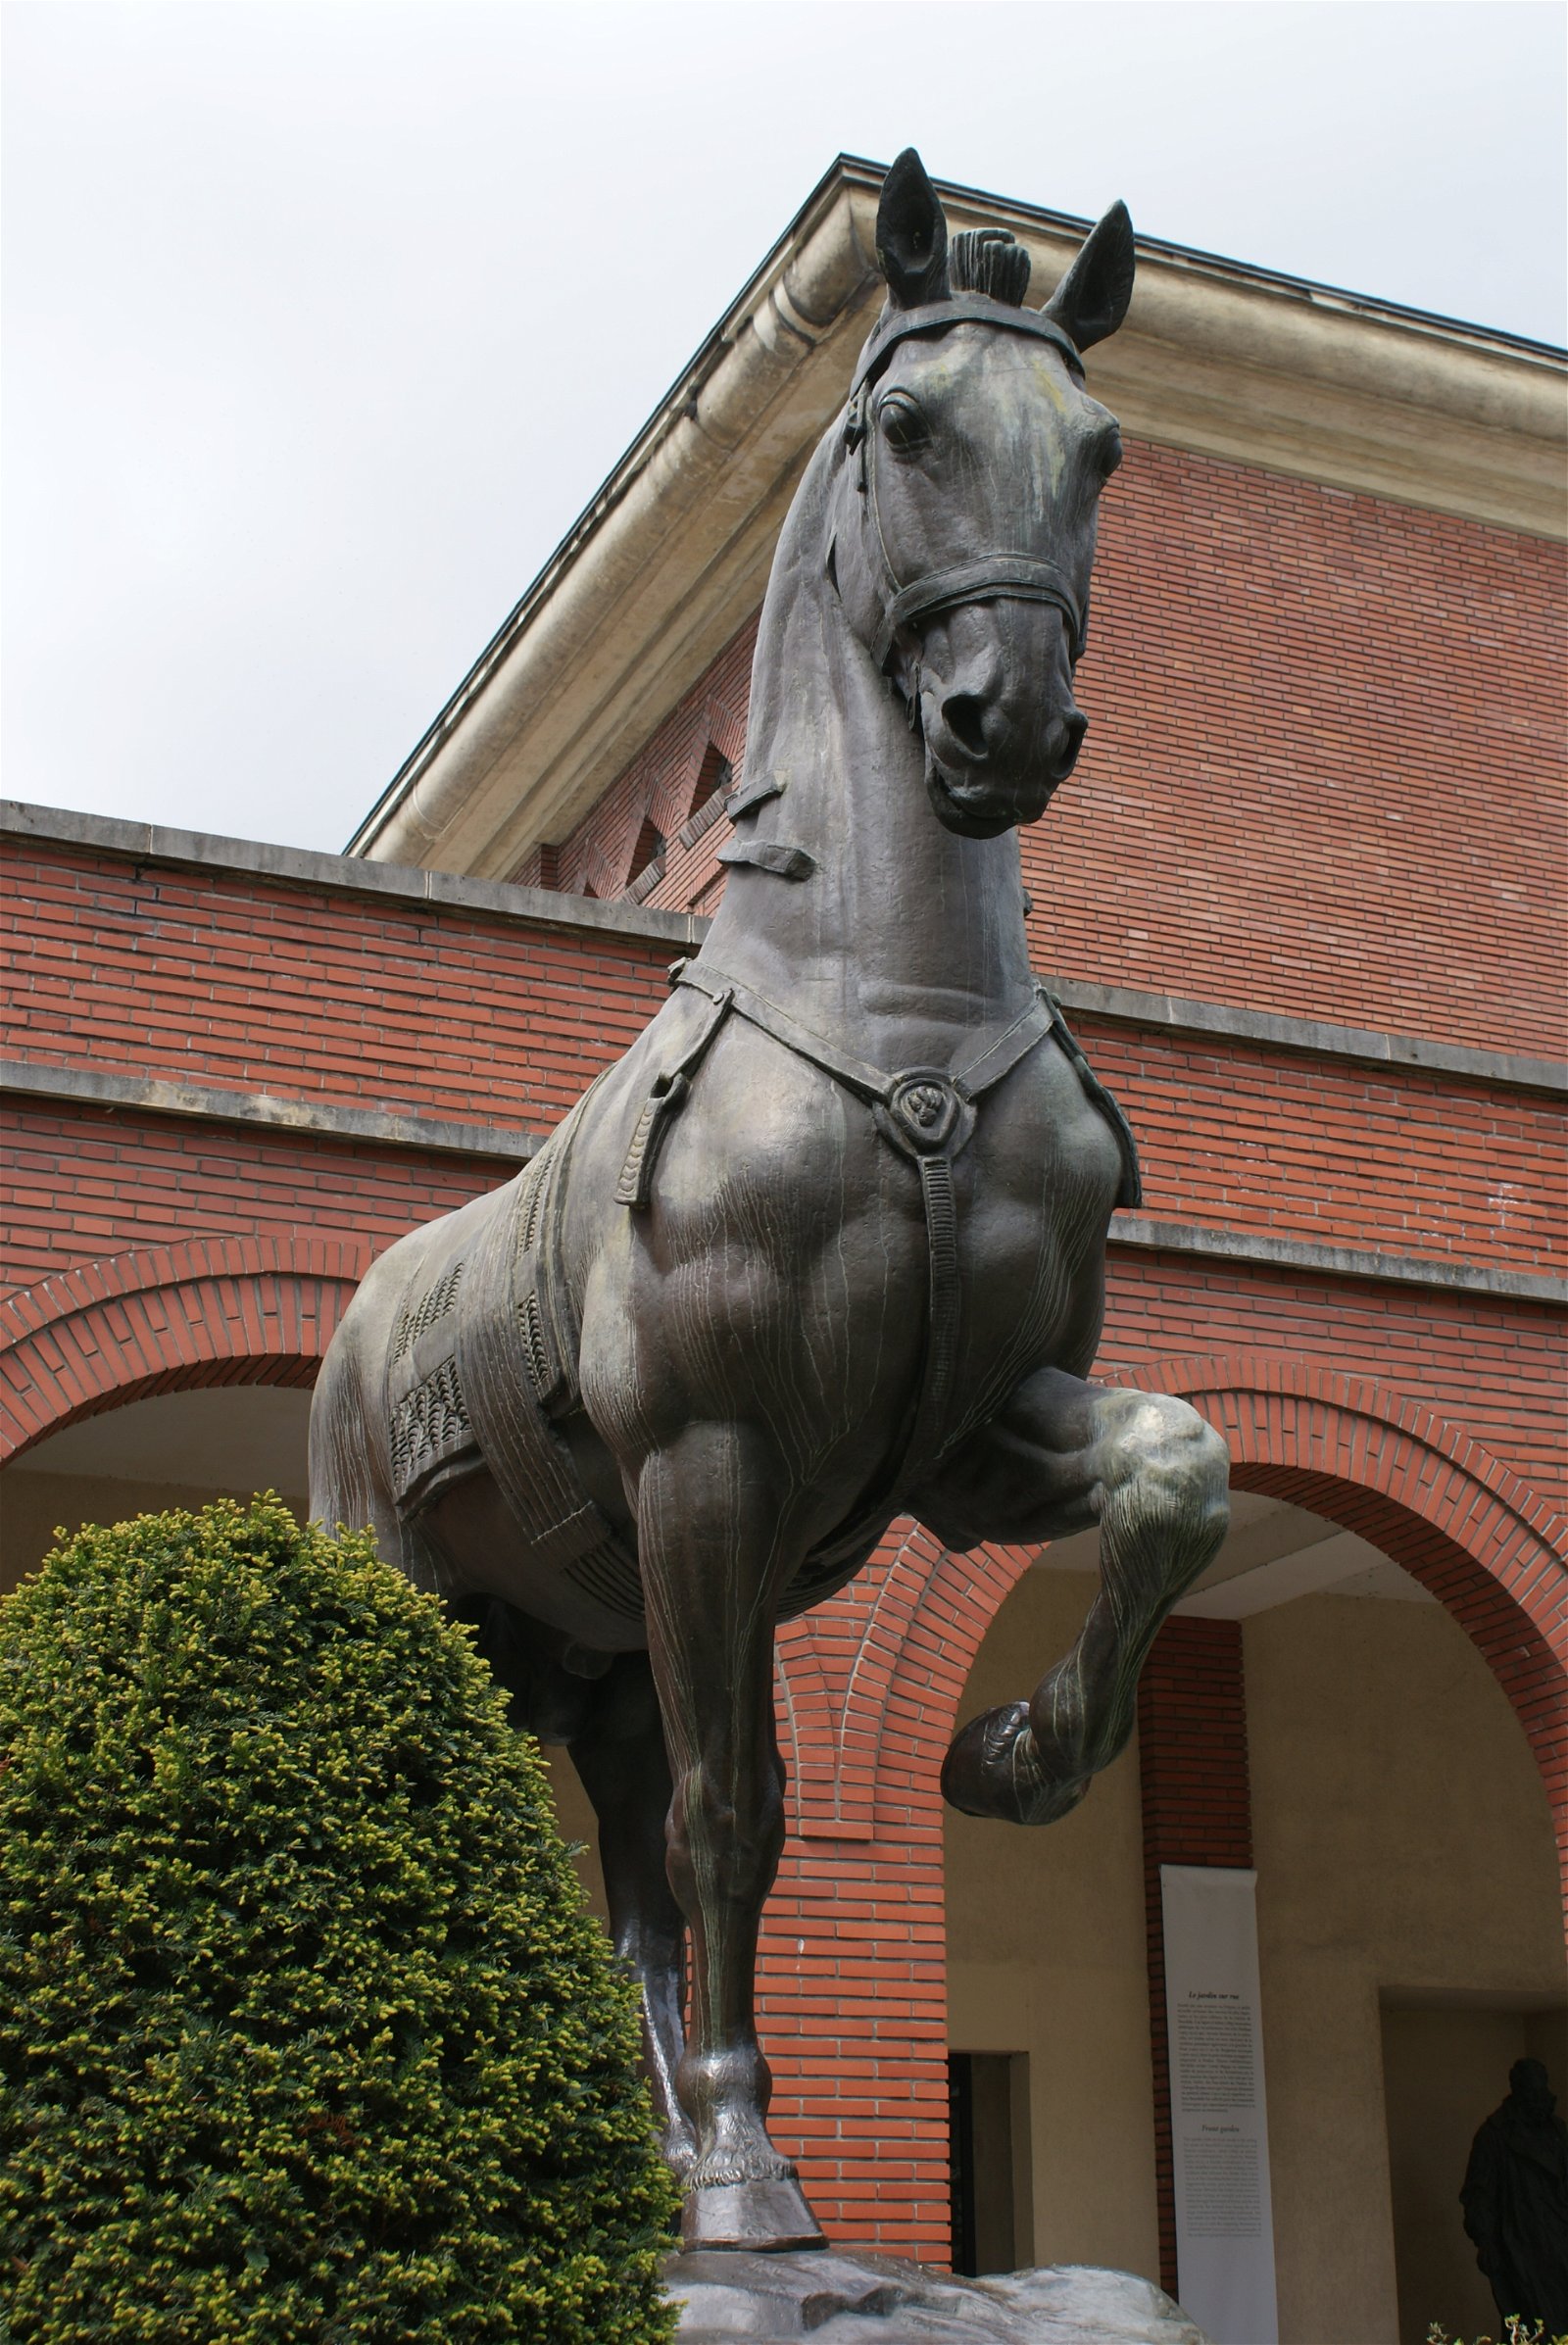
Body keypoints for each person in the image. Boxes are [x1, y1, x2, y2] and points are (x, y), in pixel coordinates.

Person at [1460, 2057, 1568, 2332]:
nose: (1539, 2096)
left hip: (1559, 2235)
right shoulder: (1495, 2135)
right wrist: (1486, 2241)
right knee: (1535, 2318)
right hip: (1521, 2243)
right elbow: (1478, 2194)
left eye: (1541, 2089)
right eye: (1532, 2090)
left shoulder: (1557, 2130)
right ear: (1518, 2089)